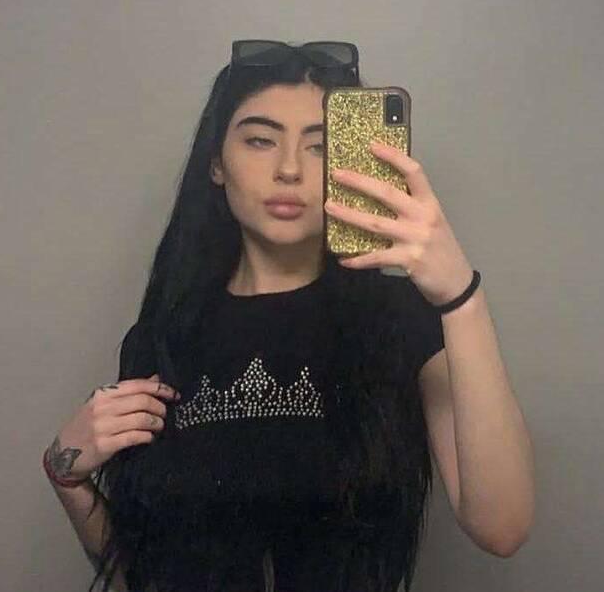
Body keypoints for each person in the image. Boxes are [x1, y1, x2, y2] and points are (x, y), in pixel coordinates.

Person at [43, 40, 534, 591]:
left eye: (320, 146)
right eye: (260, 140)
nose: (289, 169)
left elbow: (502, 526)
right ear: (216, 163)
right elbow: (142, 575)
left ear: (351, 164)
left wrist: (461, 298)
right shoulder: (162, 337)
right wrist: (68, 477)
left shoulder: (400, 319)